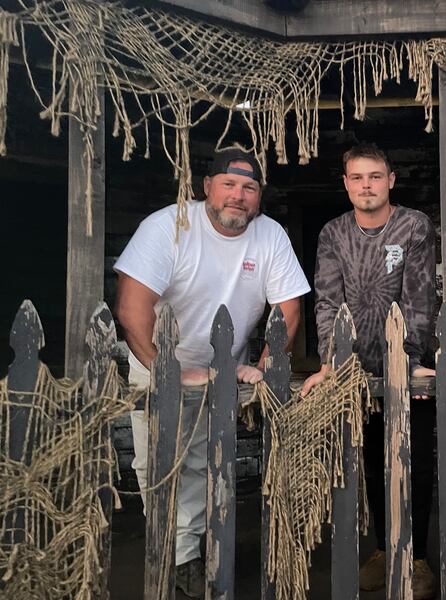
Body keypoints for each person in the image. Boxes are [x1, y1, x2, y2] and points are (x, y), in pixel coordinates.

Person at [114, 148, 310, 598]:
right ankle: (171, 550)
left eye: (249, 188)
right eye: (229, 184)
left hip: (223, 370)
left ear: (259, 196)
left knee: (202, 463)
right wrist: (170, 372)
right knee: (156, 461)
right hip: (156, 362)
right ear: (207, 187)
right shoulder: (166, 227)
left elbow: (288, 310)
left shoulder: (270, 235)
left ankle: (187, 556)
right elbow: (131, 307)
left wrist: (263, 368)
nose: (238, 196)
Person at [301, 142, 437, 599]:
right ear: (346, 184)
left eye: (375, 176)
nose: (366, 186)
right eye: (357, 178)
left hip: (408, 363)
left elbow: (418, 297)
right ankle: (383, 549)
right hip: (356, 371)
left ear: (390, 180)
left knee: (415, 461)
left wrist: (411, 362)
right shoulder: (333, 233)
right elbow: (326, 301)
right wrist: (332, 362)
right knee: (373, 462)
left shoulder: (413, 226)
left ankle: (418, 558)